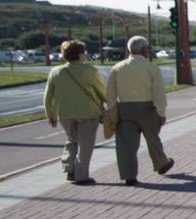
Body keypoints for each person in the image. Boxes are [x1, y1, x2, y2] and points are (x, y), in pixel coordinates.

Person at [107, 36, 174, 185]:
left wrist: (112, 111)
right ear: (144, 49)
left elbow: (110, 93)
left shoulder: (118, 68)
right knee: (152, 138)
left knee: (126, 144)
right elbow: (158, 93)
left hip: (124, 108)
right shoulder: (151, 67)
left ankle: (129, 175)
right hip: (147, 108)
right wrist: (161, 112)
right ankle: (161, 163)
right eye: (147, 47)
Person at [43, 40, 106, 185]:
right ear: (80, 54)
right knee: (86, 145)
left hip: (64, 113)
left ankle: (69, 168)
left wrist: (50, 114)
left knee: (72, 140)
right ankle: (81, 175)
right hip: (88, 113)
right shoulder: (90, 71)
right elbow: (103, 91)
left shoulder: (55, 71)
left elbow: (48, 96)